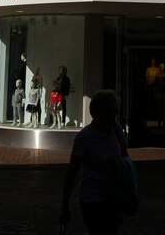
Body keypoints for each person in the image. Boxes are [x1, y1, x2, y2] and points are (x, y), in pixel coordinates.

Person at [60, 89, 127, 235]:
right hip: (92, 196)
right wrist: (65, 205)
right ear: (98, 114)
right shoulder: (85, 137)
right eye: (109, 112)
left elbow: (125, 158)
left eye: (114, 112)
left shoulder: (116, 130)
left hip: (113, 196)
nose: (112, 117)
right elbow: (72, 171)